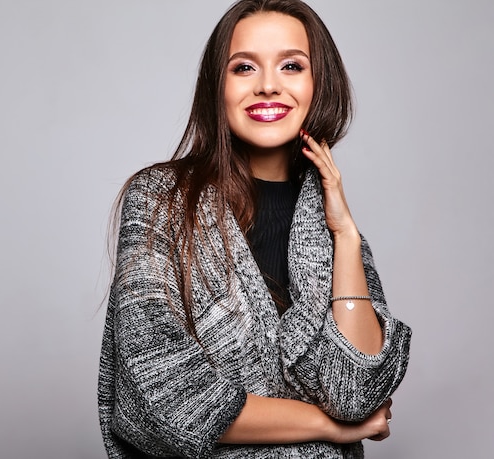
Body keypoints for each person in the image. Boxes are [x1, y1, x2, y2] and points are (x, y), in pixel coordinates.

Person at [98, 0, 412, 457]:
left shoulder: (332, 224)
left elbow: (357, 393)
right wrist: (330, 428)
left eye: (291, 66)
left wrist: (344, 236)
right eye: (244, 67)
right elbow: (164, 400)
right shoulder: (161, 202)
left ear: (317, 84)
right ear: (217, 86)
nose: (268, 86)